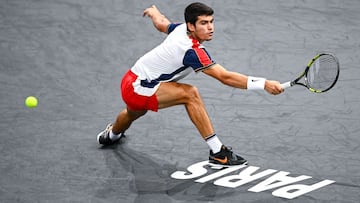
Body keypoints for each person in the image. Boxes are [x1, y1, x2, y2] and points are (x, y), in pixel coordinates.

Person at [97, 2, 283, 166]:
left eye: (211, 21)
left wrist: (154, 13)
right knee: (190, 94)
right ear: (191, 26)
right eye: (204, 23)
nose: (210, 27)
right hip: (139, 88)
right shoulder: (192, 50)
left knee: (133, 112)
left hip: (130, 80)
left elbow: (162, 24)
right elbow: (225, 77)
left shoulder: (180, 29)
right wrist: (264, 84)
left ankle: (111, 136)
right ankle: (219, 153)